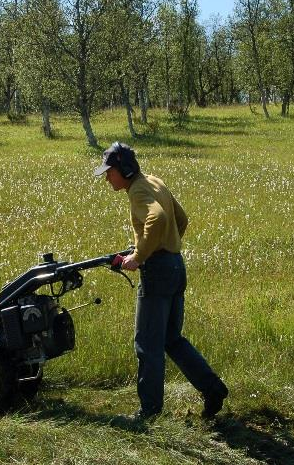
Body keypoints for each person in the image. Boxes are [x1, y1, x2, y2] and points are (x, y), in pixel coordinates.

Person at [94, 141, 228, 420]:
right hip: (176, 266)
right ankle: (213, 388)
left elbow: (158, 217)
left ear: (124, 170)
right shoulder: (153, 181)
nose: (107, 177)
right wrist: (166, 245)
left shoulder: (138, 190)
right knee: (171, 339)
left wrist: (140, 256)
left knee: (147, 345)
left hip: (157, 272)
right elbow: (181, 219)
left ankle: (150, 411)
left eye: (110, 171)